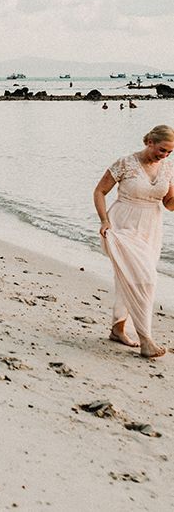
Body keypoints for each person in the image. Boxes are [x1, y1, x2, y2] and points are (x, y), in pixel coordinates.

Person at [93, 124, 174, 358]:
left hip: (151, 229)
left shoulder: (167, 168)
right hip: (121, 226)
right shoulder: (125, 163)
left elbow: (168, 204)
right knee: (146, 280)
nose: (165, 155)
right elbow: (99, 191)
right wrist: (104, 220)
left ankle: (118, 329)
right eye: (162, 150)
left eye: (170, 152)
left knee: (129, 278)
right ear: (150, 142)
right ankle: (146, 339)